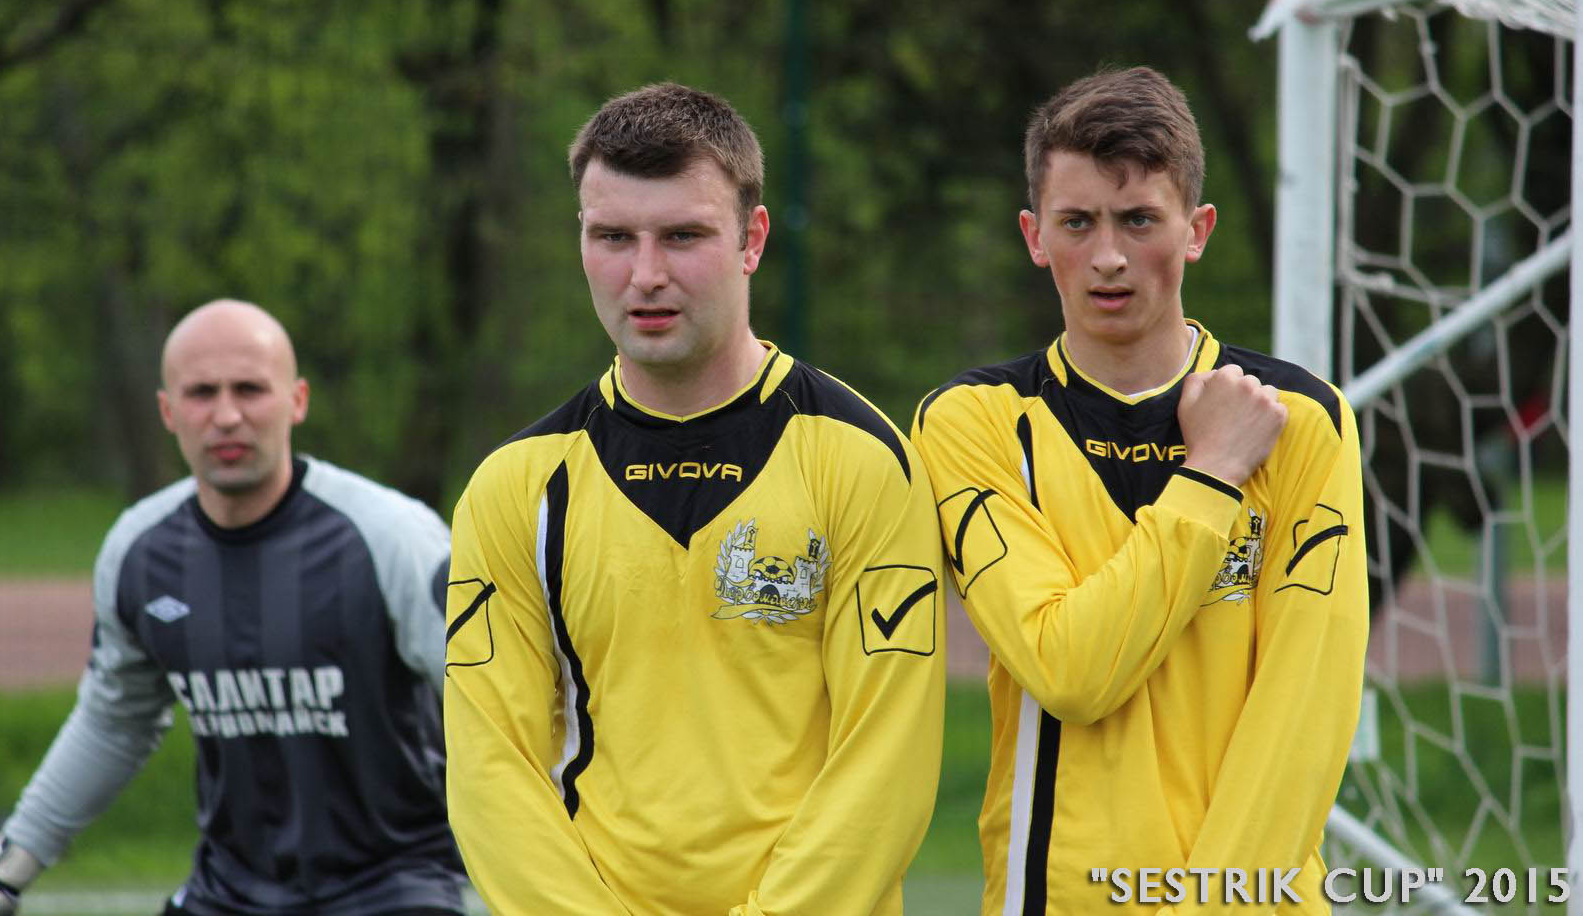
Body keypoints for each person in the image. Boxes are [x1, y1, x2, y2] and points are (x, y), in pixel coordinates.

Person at [444, 82, 945, 915]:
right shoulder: (516, 485)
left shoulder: (862, 459)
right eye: (613, 237)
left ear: (753, 239)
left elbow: (884, 764)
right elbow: (491, 771)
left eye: (683, 236)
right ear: (581, 239)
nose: (646, 275)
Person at [911, 66, 1368, 914]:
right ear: (1034, 236)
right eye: (1077, 223)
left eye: (1139, 220)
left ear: (1197, 230)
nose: (1109, 257)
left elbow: (1305, 711)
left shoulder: (1301, 420)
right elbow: (1069, 670)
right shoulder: (973, 422)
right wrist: (1210, 475)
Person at [0, 300, 465, 916]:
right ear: (168, 411)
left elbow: (496, 702)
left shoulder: (393, 538)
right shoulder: (140, 551)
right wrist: (2, 878)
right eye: (202, 393)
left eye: (250, 389)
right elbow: (113, 722)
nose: (227, 416)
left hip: (396, 888)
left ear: (297, 401)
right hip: (227, 892)